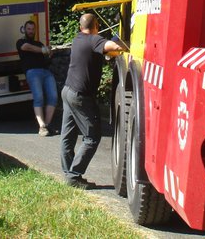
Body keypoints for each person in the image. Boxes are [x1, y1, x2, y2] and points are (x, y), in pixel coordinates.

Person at [60, 13, 126, 189]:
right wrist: (124, 46)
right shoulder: (93, 40)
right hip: (81, 97)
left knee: (68, 135)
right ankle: (74, 176)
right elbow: (110, 45)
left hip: (67, 91)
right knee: (92, 137)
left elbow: (100, 53)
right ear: (96, 25)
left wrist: (108, 53)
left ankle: (69, 174)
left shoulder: (78, 40)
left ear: (81, 27)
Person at [16, 20, 57, 136]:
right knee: (39, 97)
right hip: (32, 72)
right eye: (29, 29)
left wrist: (49, 52)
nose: (31, 31)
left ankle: (48, 125)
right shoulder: (21, 42)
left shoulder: (39, 43)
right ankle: (42, 126)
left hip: (46, 72)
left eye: (33, 29)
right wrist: (43, 50)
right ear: (25, 30)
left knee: (53, 97)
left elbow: (47, 57)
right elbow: (27, 48)